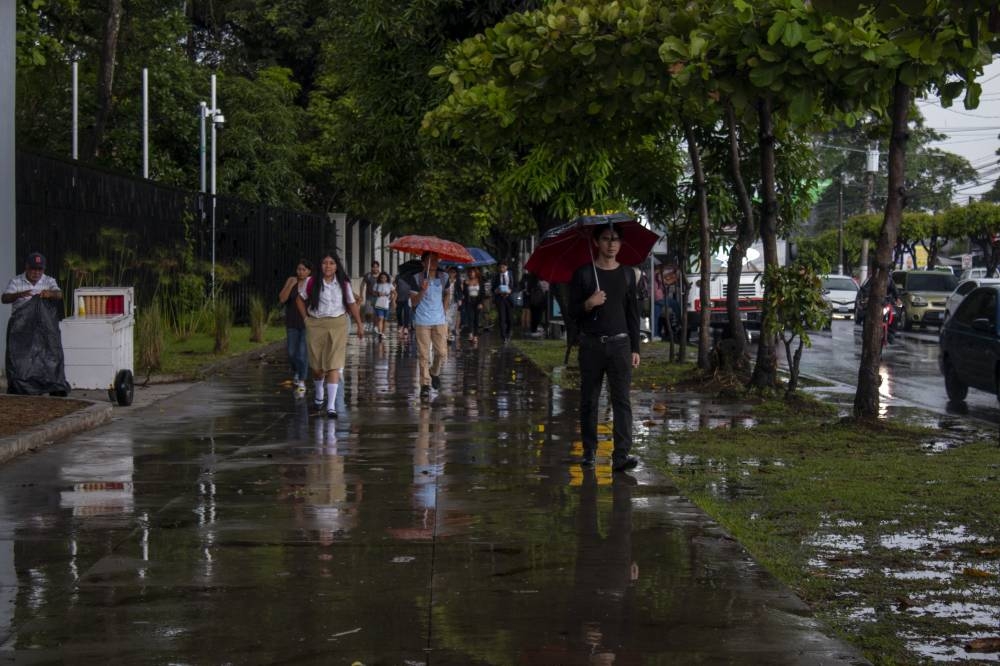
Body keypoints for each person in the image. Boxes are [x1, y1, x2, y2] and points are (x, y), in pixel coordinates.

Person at [568, 224, 641, 473]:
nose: (612, 244)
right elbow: (572, 312)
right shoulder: (584, 274)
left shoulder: (628, 274)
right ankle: (589, 450)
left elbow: (633, 313)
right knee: (589, 399)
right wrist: (589, 303)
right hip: (591, 345)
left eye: (616, 239)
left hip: (620, 344)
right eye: (607, 239)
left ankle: (621, 455)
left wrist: (635, 348)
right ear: (596, 242)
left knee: (621, 400)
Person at [297, 251, 365, 418]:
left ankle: (331, 406)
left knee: (334, 364)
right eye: (325, 263)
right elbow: (299, 299)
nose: (328, 266)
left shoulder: (343, 284)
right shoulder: (311, 282)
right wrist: (306, 319)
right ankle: (319, 395)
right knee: (318, 367)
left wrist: (359, 324)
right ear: (320, 266)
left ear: (336, 266)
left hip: (338, 324)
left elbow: (351, 303)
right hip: (316, 324)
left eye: (331, 263)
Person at [3, 252, 70, 396]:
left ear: (43, 270)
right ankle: (20, 385)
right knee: (21, 357)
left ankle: (54, 384)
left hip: (44, 327)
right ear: (26, 268)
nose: (36, 273)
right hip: (21, 328)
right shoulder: (16, 281)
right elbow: (5, 298)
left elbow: (59, 294)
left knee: (50, 354)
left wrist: (50, 294)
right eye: (33, 269)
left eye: (39, 269)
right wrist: (19, 295)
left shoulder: (49, 281)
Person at [409, 251, 450, 399]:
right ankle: (425, 385)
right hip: (422, 321)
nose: (433, 263)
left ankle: (434, 372)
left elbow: (447, 294)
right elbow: (413, 302)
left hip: (439, 320)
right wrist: (422, 290)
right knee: (424, 354)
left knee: (442, 353)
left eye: (435, 260)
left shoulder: (444, 277)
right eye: (430, 260)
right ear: (423, 263)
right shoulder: (416, 278)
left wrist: (444, 310)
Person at [279, 259, 312, 397]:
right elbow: (282, 299)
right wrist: (290, 285)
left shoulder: (311, 282)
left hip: (306, 323)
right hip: (292, 322)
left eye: (304, 269)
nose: (301, 272)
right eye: (299, 269)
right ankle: (298, 372)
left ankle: (302, 381)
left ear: (309, 271)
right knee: (292, 353)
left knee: (302, 353)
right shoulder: (291, 280)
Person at [491, 260, 515, 342]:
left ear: (506, 267)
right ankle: (503, 336)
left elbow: (515, 286)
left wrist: (510, 291)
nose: (501, 269)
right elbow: (493, 288)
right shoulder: (496, 276)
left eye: (503, 267)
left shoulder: (511, 275)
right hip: (500, 299)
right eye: (500, 267)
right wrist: (496, 290)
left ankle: (509, 332)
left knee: (510, 318)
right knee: (502, 318)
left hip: (509, 298)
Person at [462, 267, 486, 343]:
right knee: (470, 318)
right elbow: (464, 293)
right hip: (469, 301)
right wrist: (465, 286)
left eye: (472, 272)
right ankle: (470, 334)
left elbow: (483, 293)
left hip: (477, 301)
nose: (471, 273)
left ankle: (475, 336)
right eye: (470, 272)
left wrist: (481, 303)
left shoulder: (480, 281)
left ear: (476, 273)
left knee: (476, 319)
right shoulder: (466, 282)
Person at [372, 271, 395, 341]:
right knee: (380, 318)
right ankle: (380, 333)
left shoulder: (389, 285)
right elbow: (373, 292)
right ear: (380, 278)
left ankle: (383, 332)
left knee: (385, 319)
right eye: (382, 278)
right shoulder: (377, 284)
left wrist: (393, 299)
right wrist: (378, 293)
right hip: (379, 304)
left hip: (386, 304)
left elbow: (395, 293)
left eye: (384, 278)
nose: (383, 279)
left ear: (387, 278)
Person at [360, 260, 381, 333]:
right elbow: (362, 285)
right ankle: (368, 323)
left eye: (376, 267)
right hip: (369, 297)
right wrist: (361, 295)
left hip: (379, 298)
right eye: (374, 267)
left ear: (378, 268)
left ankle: (375, 326)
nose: (375, 269)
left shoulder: (381, 276)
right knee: (368, 313)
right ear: (371, 268)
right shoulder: (368, 275)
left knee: (376, 313)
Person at [394, 271, 413, 341]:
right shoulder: (398, 276)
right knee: (398, 312)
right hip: (399, 298)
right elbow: (395, 286)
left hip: (408, 297)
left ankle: (406, 327)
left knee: (406, 312)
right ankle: (400, 325)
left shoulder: (411, 276)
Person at [446, 266, 462, 343]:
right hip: (446, 301)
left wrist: (459, 299)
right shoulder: (446, 280)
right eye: (450, 272)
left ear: (456, 273)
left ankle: (450, 332)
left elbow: (459, 292)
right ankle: (448, 333)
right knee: (446, 317)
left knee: (453, 317)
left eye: (454, 272)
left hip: (454, 301)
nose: (452, 273)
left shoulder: (458, 281)